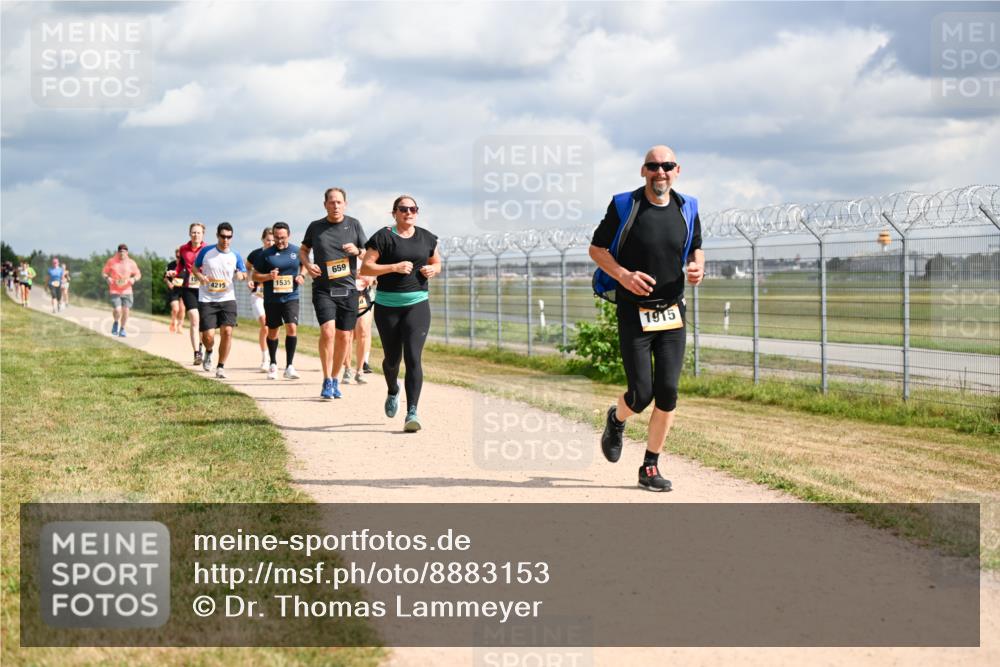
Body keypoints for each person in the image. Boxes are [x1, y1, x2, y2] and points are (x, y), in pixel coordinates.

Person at [589, 145, 704, 492]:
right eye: (653, 166)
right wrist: (623, 275)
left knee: (668, 392)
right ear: (643, 171)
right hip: (634, 313)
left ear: (677, 170)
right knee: (641, 394)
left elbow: (696, 245)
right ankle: (616, 418)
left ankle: (650, 466)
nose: (660, 172)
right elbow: (597, 249)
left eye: (667, 166)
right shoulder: (626, 205)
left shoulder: (688, 207)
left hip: (672, 312)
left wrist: (698, 266)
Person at [362, 195, 440, 432]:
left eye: (413, 208)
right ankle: (392, 389)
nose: (409, 212)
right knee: (392, 360)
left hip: (417, 303)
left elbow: (437, 262)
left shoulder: (427, 237)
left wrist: (432, 269)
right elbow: (366, 267)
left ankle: (412, 412)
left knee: (414, 357)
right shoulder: (383, 237)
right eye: (404, 209)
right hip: (387, 307)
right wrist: (393, 267)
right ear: (394, 212)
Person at [299, 187, 367, 400]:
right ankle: (327, 379)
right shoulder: (316, 227)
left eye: (339, 202)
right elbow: (303, 250)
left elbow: (367, 252)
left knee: (344, 336)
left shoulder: (354, 224)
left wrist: (357, 252)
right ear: (325, 204)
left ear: (345, 204)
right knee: (328, 332)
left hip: (348, 289)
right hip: (323, 289)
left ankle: (336, 378)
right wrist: (308, 266)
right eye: (331, 202)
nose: (335, 206)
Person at [193, 222, 247, 379]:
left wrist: (240, 275)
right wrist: (201, 277)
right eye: (223, 236)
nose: (226, 240)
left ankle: (221, 366)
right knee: (208, 336)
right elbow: (195, 268)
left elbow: (243, 273)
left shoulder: (235, 255)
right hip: (207, 298)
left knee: (228, 332)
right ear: (217, 236)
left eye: (229, 237)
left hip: (227, 298)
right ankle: (208, 351)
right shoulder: (206, 252)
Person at [251, 222, 305, 380]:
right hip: (272, 299)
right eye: (276, 238)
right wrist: (268, 276)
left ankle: (289, 366)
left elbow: (305, 265)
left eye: (282, 237)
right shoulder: (265, 254)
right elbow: (255, 276)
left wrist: (302, 275)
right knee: (273, 331)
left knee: (292, 327)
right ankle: (273, 364)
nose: (279, 241)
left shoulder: (297, 251)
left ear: (289, 235)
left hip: (291, 297)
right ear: (273, 236)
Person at [177, 223, 207, 364]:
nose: (196, 235)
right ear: (190, 234)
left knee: (204, 323)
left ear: (203, 234)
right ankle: (197, 353)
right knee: (194, 319)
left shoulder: (208, 249)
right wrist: (175, 272)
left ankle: (203, 347)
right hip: (189, 288)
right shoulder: (183, 249)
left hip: (205, 289)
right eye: (193, 232)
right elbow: (180, 265)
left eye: (198, 232)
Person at [246, 227, 275, 372]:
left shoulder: (277, 254)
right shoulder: (256, 254)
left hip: (273, 295)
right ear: (263, 239)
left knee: (271, 327)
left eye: (273, 240)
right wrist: (249, 279)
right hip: (257, 294)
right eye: (268, 240)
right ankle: (265, 359)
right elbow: (247, 266)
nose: (270, 242)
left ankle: (272, 358)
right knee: (264, 324)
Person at [341, 275, 375, 385]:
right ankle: (347, 369)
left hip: (363, 295)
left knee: (363, 331)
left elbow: (376, 271)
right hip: (345, 293)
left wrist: (373, 278)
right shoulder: (345, 256)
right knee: (348, 334)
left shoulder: (368, 257)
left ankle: (360, 370)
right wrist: (358, 274)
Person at [102, 244, 142, 337]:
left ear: (127, 252)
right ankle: (116, 322)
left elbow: (138, 274)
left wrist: (134, 279)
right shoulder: (111, 261)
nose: (122, 254)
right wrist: (108, 278)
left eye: (124, 252)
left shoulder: (131, 263)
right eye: (120, 252)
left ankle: (122, 329)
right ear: (118, 252)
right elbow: (104, 272)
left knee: (126, 310)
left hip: (127, 290)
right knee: (117, 309)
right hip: (114, 289)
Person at [164, 250, 186, 333]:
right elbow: (165, 278)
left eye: (180, 257)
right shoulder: (171, 265)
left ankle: (180, 326)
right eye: (177, 257)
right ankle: (173, 322)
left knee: (182, 309)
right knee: (175, 309)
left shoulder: (186, 266)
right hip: (174, 290)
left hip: (184, 289)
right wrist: (169, 283)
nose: (179, 258)